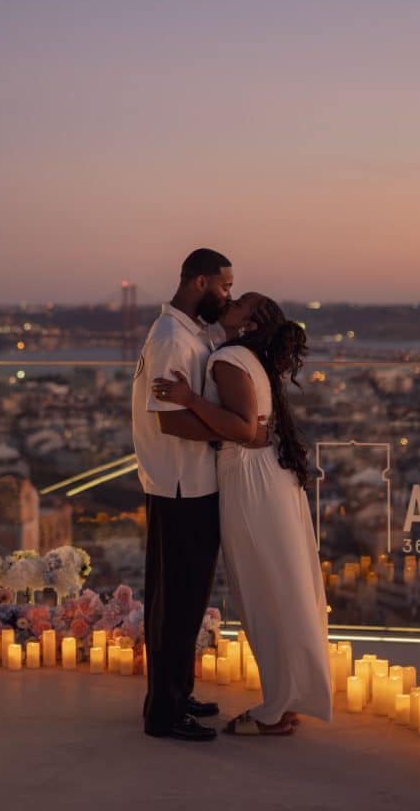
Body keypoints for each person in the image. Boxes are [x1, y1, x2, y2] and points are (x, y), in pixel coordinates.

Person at [153, 293, 332, 736]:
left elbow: (242, 428)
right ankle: (285, 698)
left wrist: (188, 399)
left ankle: (275, 707)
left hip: (250, 480)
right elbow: (254, 428)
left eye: (240, 301)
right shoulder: (251, 358)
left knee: (260, 590)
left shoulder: (229, 358)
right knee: (281, 584)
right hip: (268, 476)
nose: (230, 300)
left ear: (248, 323)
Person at [132, 249, 269, 742]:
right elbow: (168, 418)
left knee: (187, 600)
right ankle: (164, 714)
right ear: (198, 281)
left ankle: (175, 693)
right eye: (225, 287)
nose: (228, 295)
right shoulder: (171, 338)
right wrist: (228, 435)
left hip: (191, 483)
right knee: (176, 602)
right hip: (179, 485)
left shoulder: (193, 333)